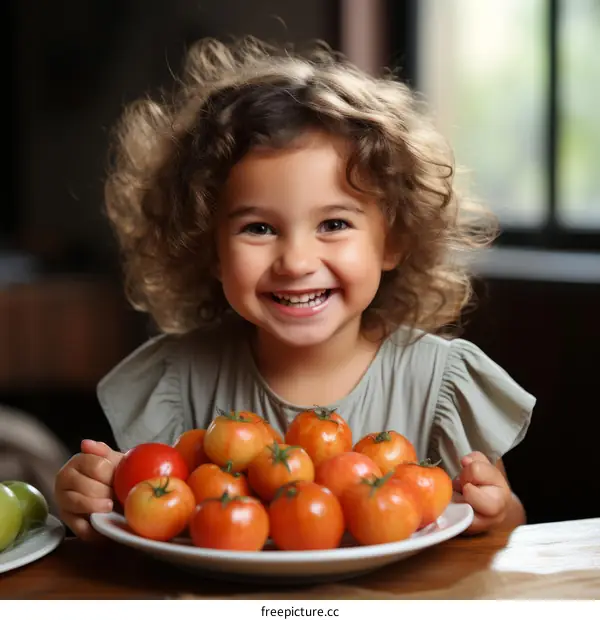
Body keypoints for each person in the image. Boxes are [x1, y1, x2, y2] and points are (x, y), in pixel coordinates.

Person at [54, 36, 536, 542]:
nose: (297, 262)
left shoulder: (439, 383)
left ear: (392, 241)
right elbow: (139, 520)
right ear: (210, 250)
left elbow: (508, 523)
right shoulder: (177, 381)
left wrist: (494, 513)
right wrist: (91, 498)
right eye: (259, 229)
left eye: (333, 224)